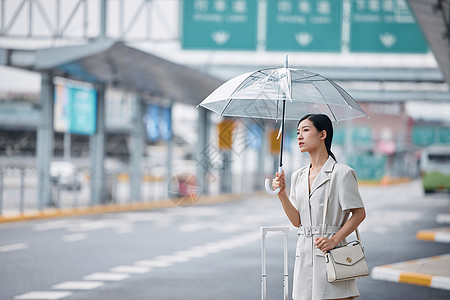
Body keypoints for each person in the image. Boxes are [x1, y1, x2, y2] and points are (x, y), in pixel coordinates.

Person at [272, 114, 366, 300]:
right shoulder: (297, 176)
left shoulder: (342, 173)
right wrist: (282, 193)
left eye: (306, 130)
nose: (299, 136)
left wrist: (334, 239)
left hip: (332, 253)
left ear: (323, 134)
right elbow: (297, 221)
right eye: (298, 132)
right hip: (304, 254)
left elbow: (359, 213)